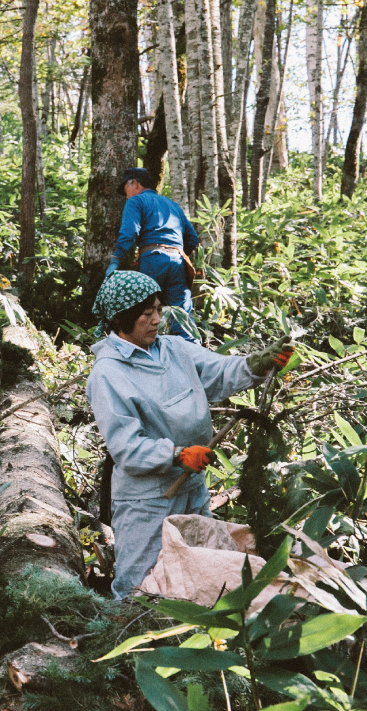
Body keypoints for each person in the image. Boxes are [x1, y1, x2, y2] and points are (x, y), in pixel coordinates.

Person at [85, 271, 294, 599]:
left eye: (158, 309)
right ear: (123, 321)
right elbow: (126, 446)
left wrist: (257, 364)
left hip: (191, 483)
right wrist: (176, 455)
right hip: (148, 497)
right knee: (140, 582)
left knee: (199, 564)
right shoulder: (109, 373)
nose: (156, 320)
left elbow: (219, 373)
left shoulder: (174, 349)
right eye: (146, 314)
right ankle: (127, 640)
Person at [106, 167, 201, 342]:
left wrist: (116, 261)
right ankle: (194, 358)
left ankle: (144, 353)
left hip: (152, 259)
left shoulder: (135, 201)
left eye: (126, 189)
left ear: (133, 183)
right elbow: (192, 238)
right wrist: (174, 253)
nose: (126, 195)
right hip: (178, 260)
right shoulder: (172, 205)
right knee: (181, 315)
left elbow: (129, 234)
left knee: (145, 309)